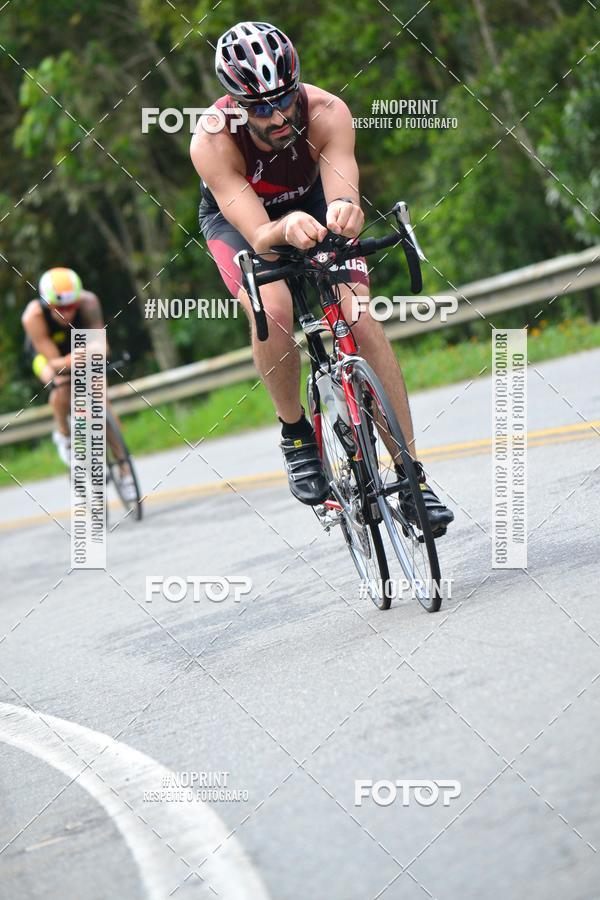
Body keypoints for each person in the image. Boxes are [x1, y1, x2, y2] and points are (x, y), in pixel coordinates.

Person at [191, 21, 453, 535]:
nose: (279, 115)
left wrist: (344, 212)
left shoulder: (328, 112)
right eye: (262, 108)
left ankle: (411, 478)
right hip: (245, 223)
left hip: (310, 199)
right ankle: (294, 432)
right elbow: (263, 234)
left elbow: (343, 191)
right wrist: (283, 227)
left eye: (285, 98)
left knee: (357, 317)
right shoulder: (212, 142)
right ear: (237, 105)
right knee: (276, 307)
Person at [22, 268, 136, 500]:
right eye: (60, 308)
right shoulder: (33, 317)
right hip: (48, 355)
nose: (67, 313)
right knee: (61, 384)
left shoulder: (89, 303)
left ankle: (125, 470)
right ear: (47, 304)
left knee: (101, 399)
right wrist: (71, 362)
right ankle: (64, 436)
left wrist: (91, 355)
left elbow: (101, 347)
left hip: (81, 348)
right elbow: (55, 364)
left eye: (72, 305)